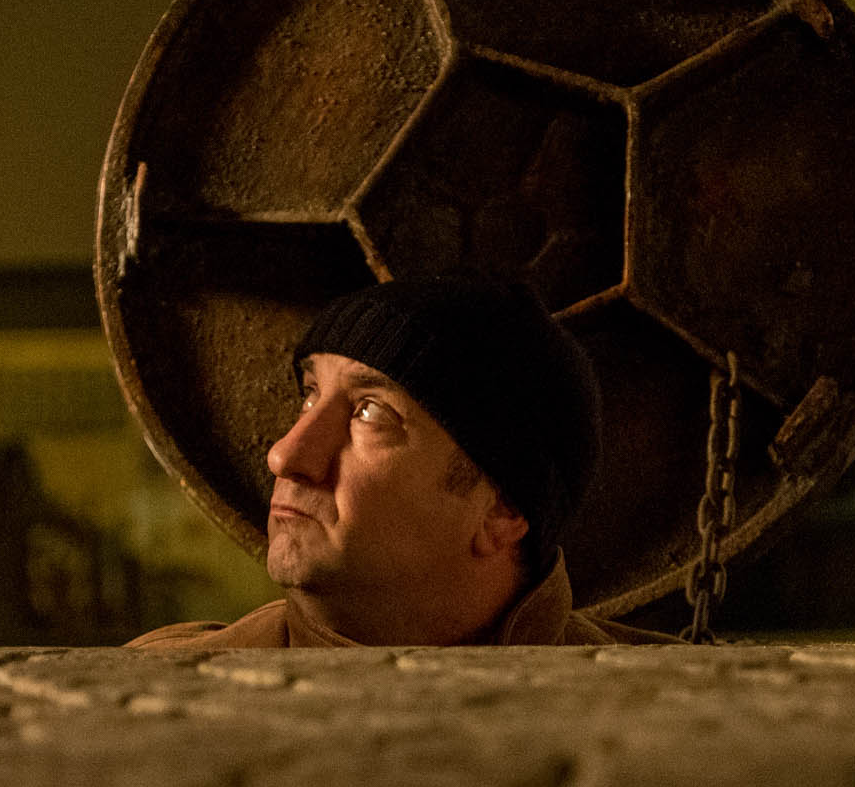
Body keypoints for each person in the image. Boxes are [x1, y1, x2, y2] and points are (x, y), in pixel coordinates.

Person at [130, 277, 677, 649]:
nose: (286, 455)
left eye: (370, 411)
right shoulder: (155, 690)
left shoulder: (666, 715)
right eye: (310, 395)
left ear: (503, 510)